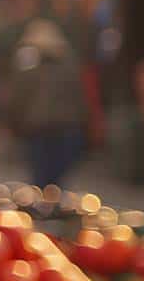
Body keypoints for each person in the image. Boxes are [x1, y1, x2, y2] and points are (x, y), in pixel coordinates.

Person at [7, 19, 88, 187]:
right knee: (55, 178)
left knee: (41, 177)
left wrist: (14, 123)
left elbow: (19, 97)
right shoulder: (68, 66)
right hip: (61, 126)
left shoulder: (30, 67)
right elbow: (78, 97)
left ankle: (44, 209)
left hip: (40, 126)